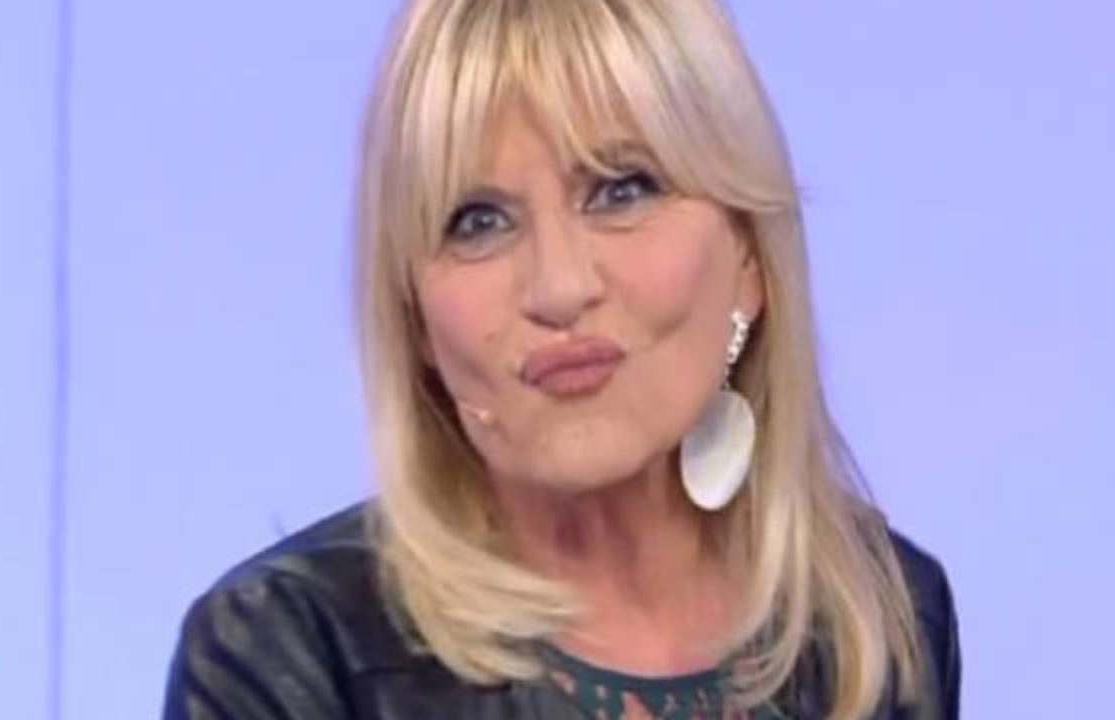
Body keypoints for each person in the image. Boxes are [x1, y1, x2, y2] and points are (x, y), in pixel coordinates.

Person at [163, 0, 961, 717]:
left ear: (750, 258)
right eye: (478, 222)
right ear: (416, 320)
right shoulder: (288, 652)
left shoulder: (881, 621)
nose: (559, 287)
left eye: (622, 190)